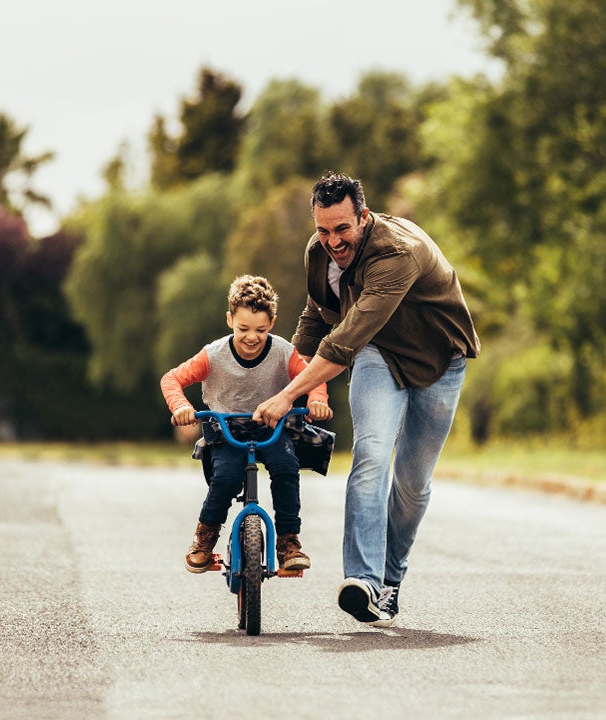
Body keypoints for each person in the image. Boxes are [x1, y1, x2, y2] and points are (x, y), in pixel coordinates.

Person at [254, 171, 479, 627]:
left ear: (364, 216)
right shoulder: (318, 253)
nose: (333, 241)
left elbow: (342, 343)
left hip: (439, 360)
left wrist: (287, 395)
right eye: (323, 230)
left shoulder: (395, 253)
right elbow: (318, 318)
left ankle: (391, 581)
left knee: (412, 482)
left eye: (343, 229)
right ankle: (363, 581)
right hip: (380, 355)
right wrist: (275, 376)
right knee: (371, 455)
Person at [161, 274, 333, 575]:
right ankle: (204, 539)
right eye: (243, 328)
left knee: (286, 467)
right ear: (229, 320)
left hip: (272, 426)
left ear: (273, 322)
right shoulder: (214, 355)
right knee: (226, 478)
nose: (252, 336)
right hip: (226, 430)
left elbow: (312, 377)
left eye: (261, 329)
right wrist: (182, 407)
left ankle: (288, 542)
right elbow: (172, 379)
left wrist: (318, 400)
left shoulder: (283, 352)